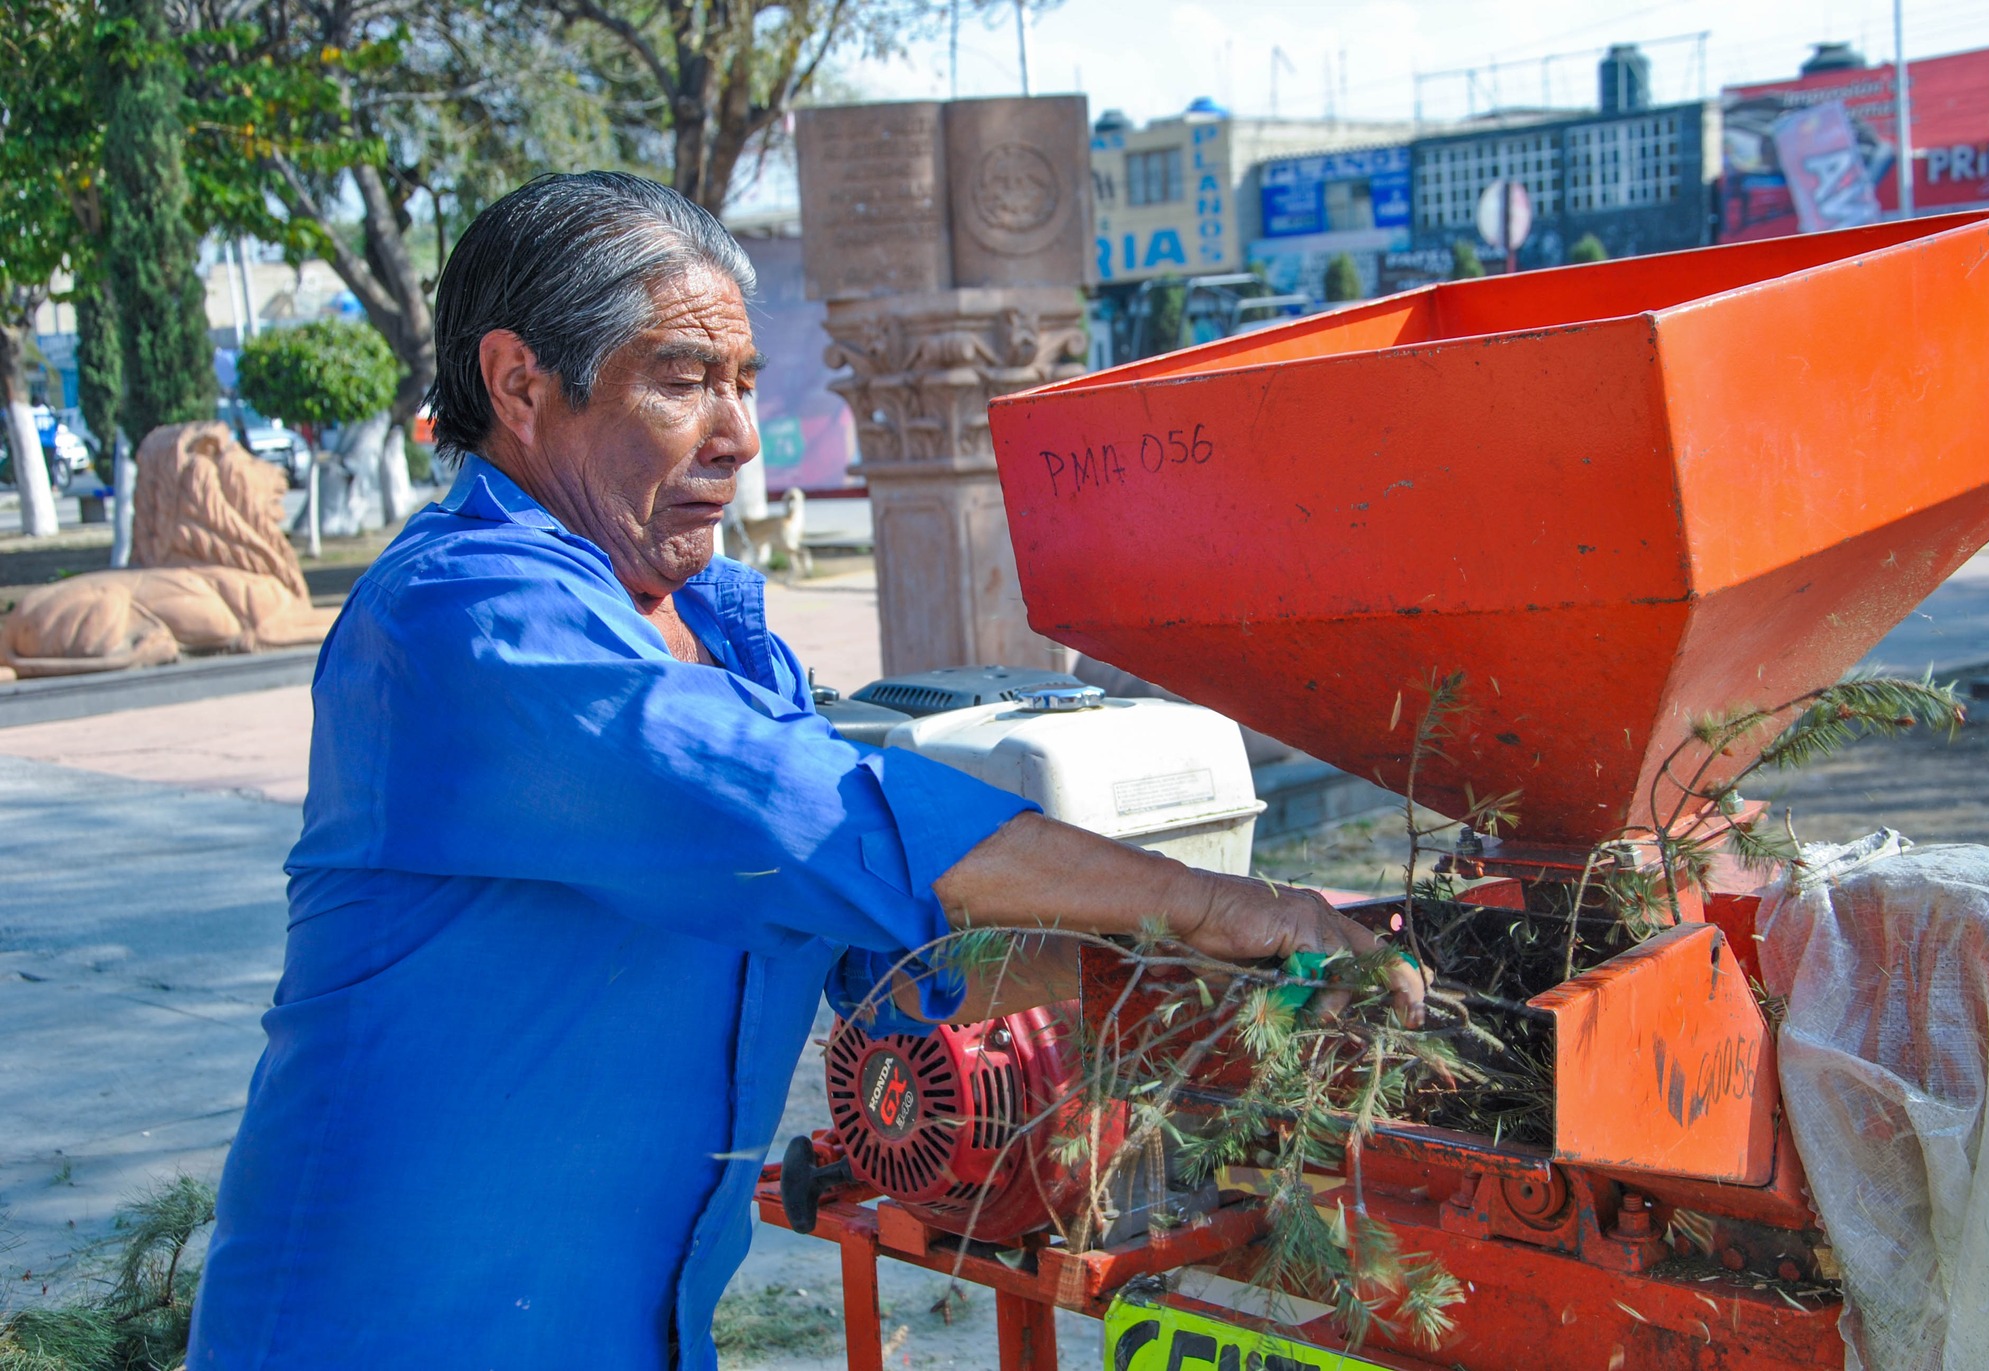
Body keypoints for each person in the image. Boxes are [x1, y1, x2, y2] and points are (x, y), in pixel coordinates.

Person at [185, 171, 1425, 1370]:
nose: (735, 436)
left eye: (741, 383)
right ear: (520, 382)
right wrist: (1222, 906)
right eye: (681, 383)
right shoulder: (465, 621)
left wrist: (1181, 980)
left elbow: (895, 966)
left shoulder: (720, 643)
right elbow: (824, 826)